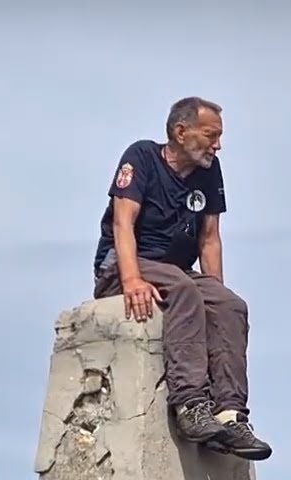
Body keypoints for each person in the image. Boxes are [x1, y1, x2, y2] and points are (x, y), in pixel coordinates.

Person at [91, 96, 271, 461]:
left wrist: (215, 295)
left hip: (175, 270)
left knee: (230, 304)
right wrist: (131, 280)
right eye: (211, 135)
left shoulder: (209, 171)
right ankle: (190, 404)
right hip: (127, 263)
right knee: (185, 291)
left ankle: (230, 413)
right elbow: (122, 222)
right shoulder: (141, 157)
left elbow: (209, 238)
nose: (217, 145)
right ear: (180, 131)